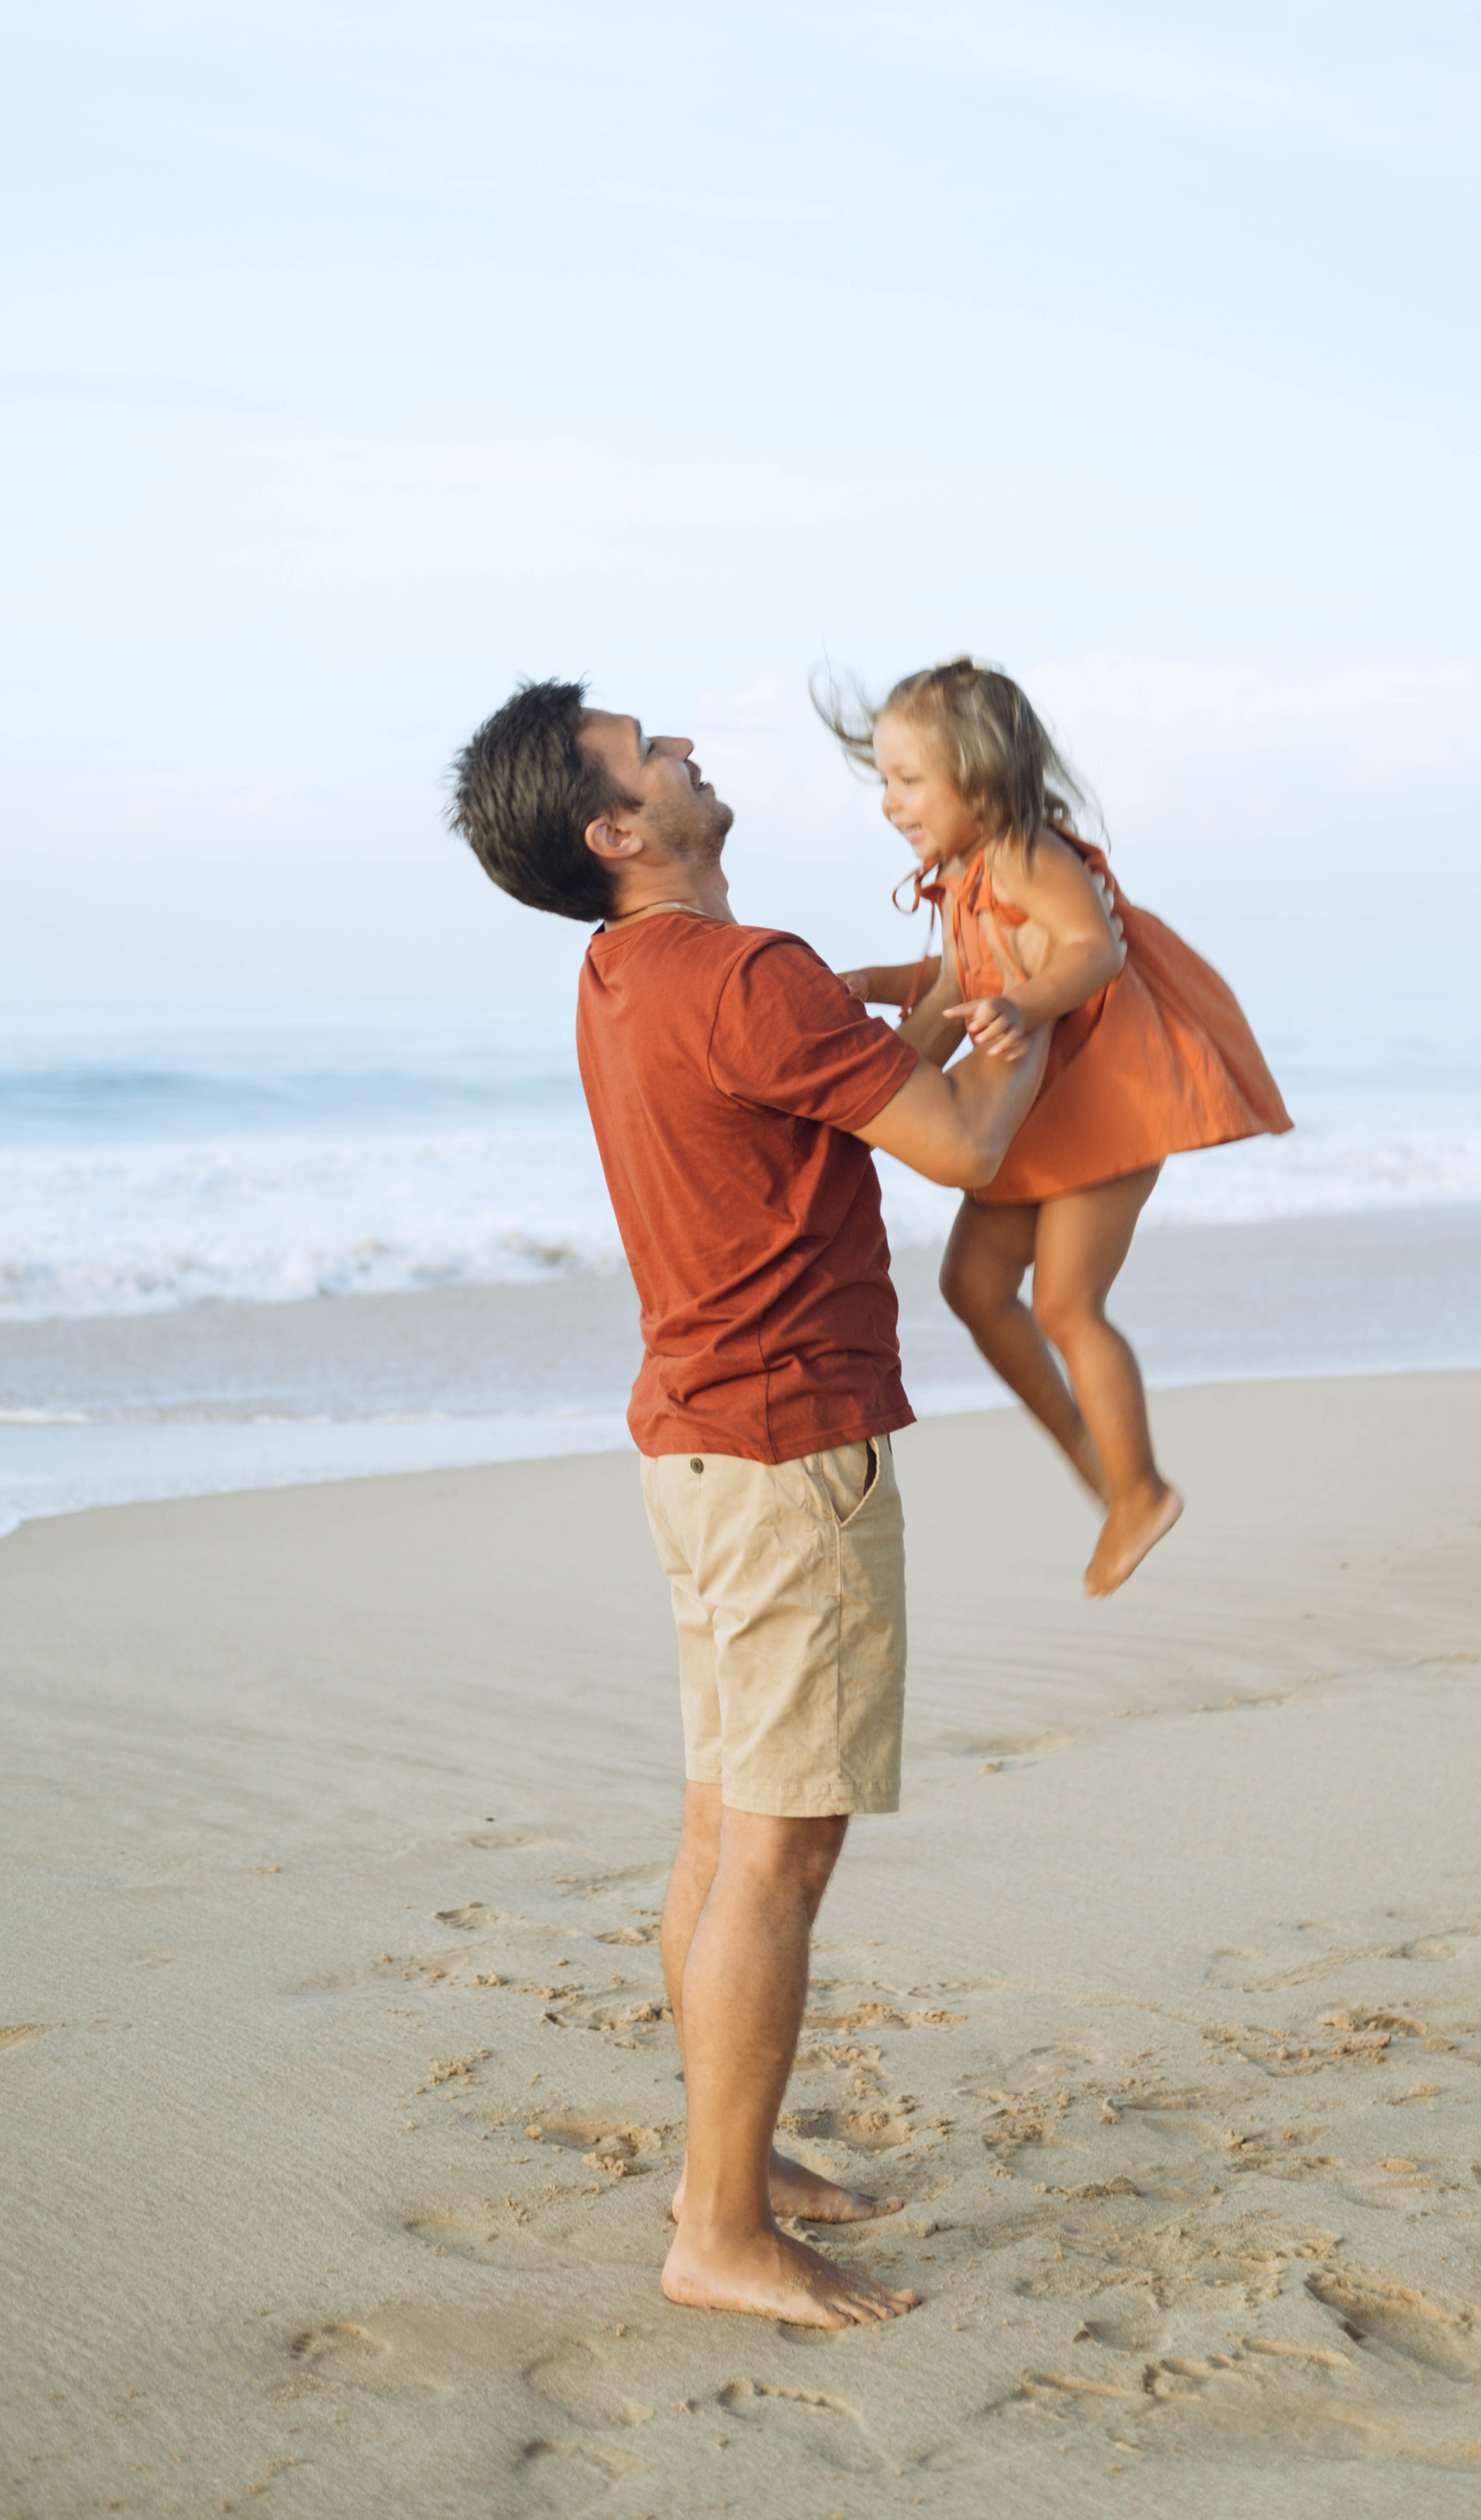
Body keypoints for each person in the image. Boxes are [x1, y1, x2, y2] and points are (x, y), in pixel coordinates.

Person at [447, 679, 1049, 2333]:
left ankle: (735, 2157)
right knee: (780, 1851)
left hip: (697, 1450)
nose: (687, 744)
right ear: (617, 829)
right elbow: (960, 1151)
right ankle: (717, 2229)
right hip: (790, 1458)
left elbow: (805, 1077)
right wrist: (1034, 1035)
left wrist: (922, 1013)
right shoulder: (745, 968)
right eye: (651, 749)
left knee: (726, 1825)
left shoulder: (626, 973)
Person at [823, 656, 1292, 1599]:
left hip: (1107, 1098)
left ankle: (1140, 1488)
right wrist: (875, 989)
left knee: (1069, 1305)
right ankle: (1097, 1458)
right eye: (885, 781)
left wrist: (1030, 1009)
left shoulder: (1029, 853)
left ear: (983, 773)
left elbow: (1095, 951)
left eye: (910, 781)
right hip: (1046, 1109)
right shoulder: (962, 877)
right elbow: (965, 979)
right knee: (972, 1283)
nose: (891, 803)